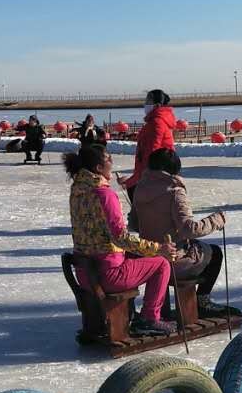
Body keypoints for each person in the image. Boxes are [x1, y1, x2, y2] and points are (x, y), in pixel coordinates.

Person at [66, 141, 177, 337]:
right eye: (109, 159)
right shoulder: (105, 194)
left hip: (85, 273)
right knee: (161, 264)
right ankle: (150, 318)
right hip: (107, 275)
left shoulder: (77, 191)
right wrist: (159, 248)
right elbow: (120, 238)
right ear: (99, 168)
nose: (112, 162)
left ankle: (130, 315)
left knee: (136, 258)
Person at [129, 149, 226, 315]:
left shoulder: (140, 188)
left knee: (199, 248)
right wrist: (216, 220)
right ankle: (202, 300)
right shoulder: (174, 191)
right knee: (215, 254)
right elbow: (189, 229)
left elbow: (134, 224)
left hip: (149, 254)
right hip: (173, 258)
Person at [125, 89, 183, 189]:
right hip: (155, 173)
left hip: (156, 174)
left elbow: (152, 151)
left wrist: (135, 180)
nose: (145, 104)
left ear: (157, 105)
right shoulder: (155, 121)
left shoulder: (157, 122)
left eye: (148, 102)